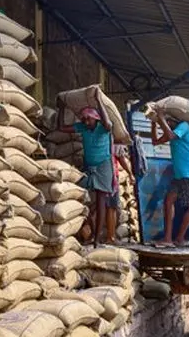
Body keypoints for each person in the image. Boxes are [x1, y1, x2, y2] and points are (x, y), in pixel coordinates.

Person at [57, 95, 113, 245]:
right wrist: (61, 108)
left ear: (96, 118)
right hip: (88, 166)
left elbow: (108, 123)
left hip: (103, 165)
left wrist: (99, 101)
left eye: (89, 119)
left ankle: (96, 238)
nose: (86, 122)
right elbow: (61, 128)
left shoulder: (103, 128)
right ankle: (90, 227)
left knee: (101, 199)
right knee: (79, 194)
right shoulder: (83, 128)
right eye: (85, 119)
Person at [151, 116, 189, 249]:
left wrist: (160, 117)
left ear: (175, 119)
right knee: (168, 201)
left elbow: (170, 135)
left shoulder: (184, 125)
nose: (167, 124)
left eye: (169, 121)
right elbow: (154, 142)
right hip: (179, 175)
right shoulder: (174, 131)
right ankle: (168, 239)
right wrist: (153, 124)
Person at [106, 144, 134, 244]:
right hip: (112, 176)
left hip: (101, 174)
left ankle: (96, 236)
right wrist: (130, 173)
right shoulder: (114, 139)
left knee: (102, 206)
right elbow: (121, 157)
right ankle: (110, 237)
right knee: (111, 207)